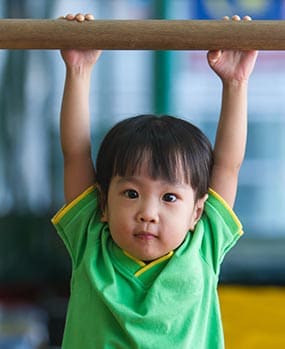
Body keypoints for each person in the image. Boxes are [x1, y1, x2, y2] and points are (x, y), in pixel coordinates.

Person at [52, 13, 258, 349]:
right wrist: (78, 70)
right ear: (103, 204)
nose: (148, 212)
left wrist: (235, 83)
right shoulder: (90, 241)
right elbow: (76, 153)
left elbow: (228, 167)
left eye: (170, 198)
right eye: (131, 193)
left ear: (197, 213)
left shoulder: (204, 245)